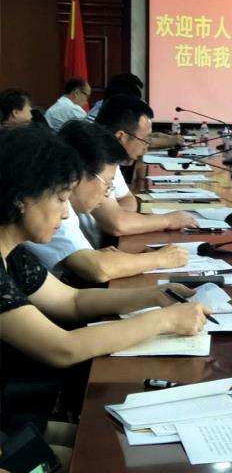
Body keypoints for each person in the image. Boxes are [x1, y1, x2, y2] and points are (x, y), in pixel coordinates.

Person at [0, 125, 206, 428]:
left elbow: (72, 300)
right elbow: (62, 348)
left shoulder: (13, 253)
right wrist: (165, 321)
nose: (66, 214)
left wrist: (152, 296)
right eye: (60, 199)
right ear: (22, 198)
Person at [24, 121, 189, 284]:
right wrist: (160, 258)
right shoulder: (48, 207)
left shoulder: (64, 204)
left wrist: (94, 255)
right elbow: (98, 269)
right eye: (108, 184)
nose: (107, 194)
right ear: (78, 174)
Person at [84, 95, 197, 247]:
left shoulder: (110, 157)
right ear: (121, 137)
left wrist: (121, 216)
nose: (146, 147)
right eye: (145, 140)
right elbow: (118, 224)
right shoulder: (92, 159)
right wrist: (168, 220)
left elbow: (127, 199)